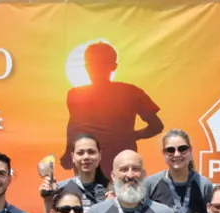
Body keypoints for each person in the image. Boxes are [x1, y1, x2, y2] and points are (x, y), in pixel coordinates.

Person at [61, 41, 164, 176]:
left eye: (100, 64)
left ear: (114, 66)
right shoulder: (132, 92)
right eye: (92, 64)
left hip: (113, 168)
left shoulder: (76, 95)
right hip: (99, 168)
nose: (95, 68)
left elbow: (74, 128)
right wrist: (132, 136)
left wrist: (132, 135)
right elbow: (74, 126)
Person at [144, 129, 214, 213]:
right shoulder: (150, 184)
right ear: (164, 154)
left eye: (182, 149)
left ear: (190, 151)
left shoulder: (204, 185)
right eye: (170, 150)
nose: (177, 154)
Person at [41, 133, 112, 213]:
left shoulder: (113, 190)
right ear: (73, 157)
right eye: (80, 153)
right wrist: (47, 200)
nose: (86, 157)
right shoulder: (60, 189)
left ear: (100, 155)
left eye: (91, 152)